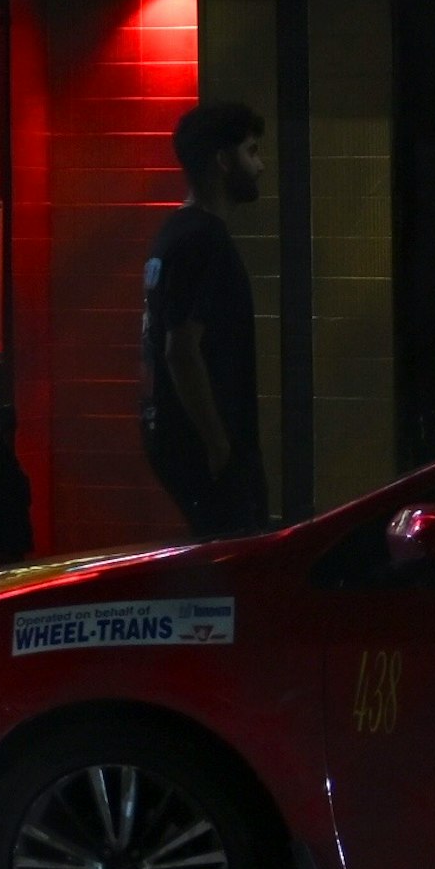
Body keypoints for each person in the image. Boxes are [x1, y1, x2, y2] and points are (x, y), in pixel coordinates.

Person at [144, 99, 271, 539]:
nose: (260, 165)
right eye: (251, 151)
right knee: (241, 561)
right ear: (222, 161)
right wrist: (218, 443)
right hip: (202, 441)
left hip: (177, 435)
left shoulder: (175, 233)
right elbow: (181, 350)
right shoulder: (204, 241)